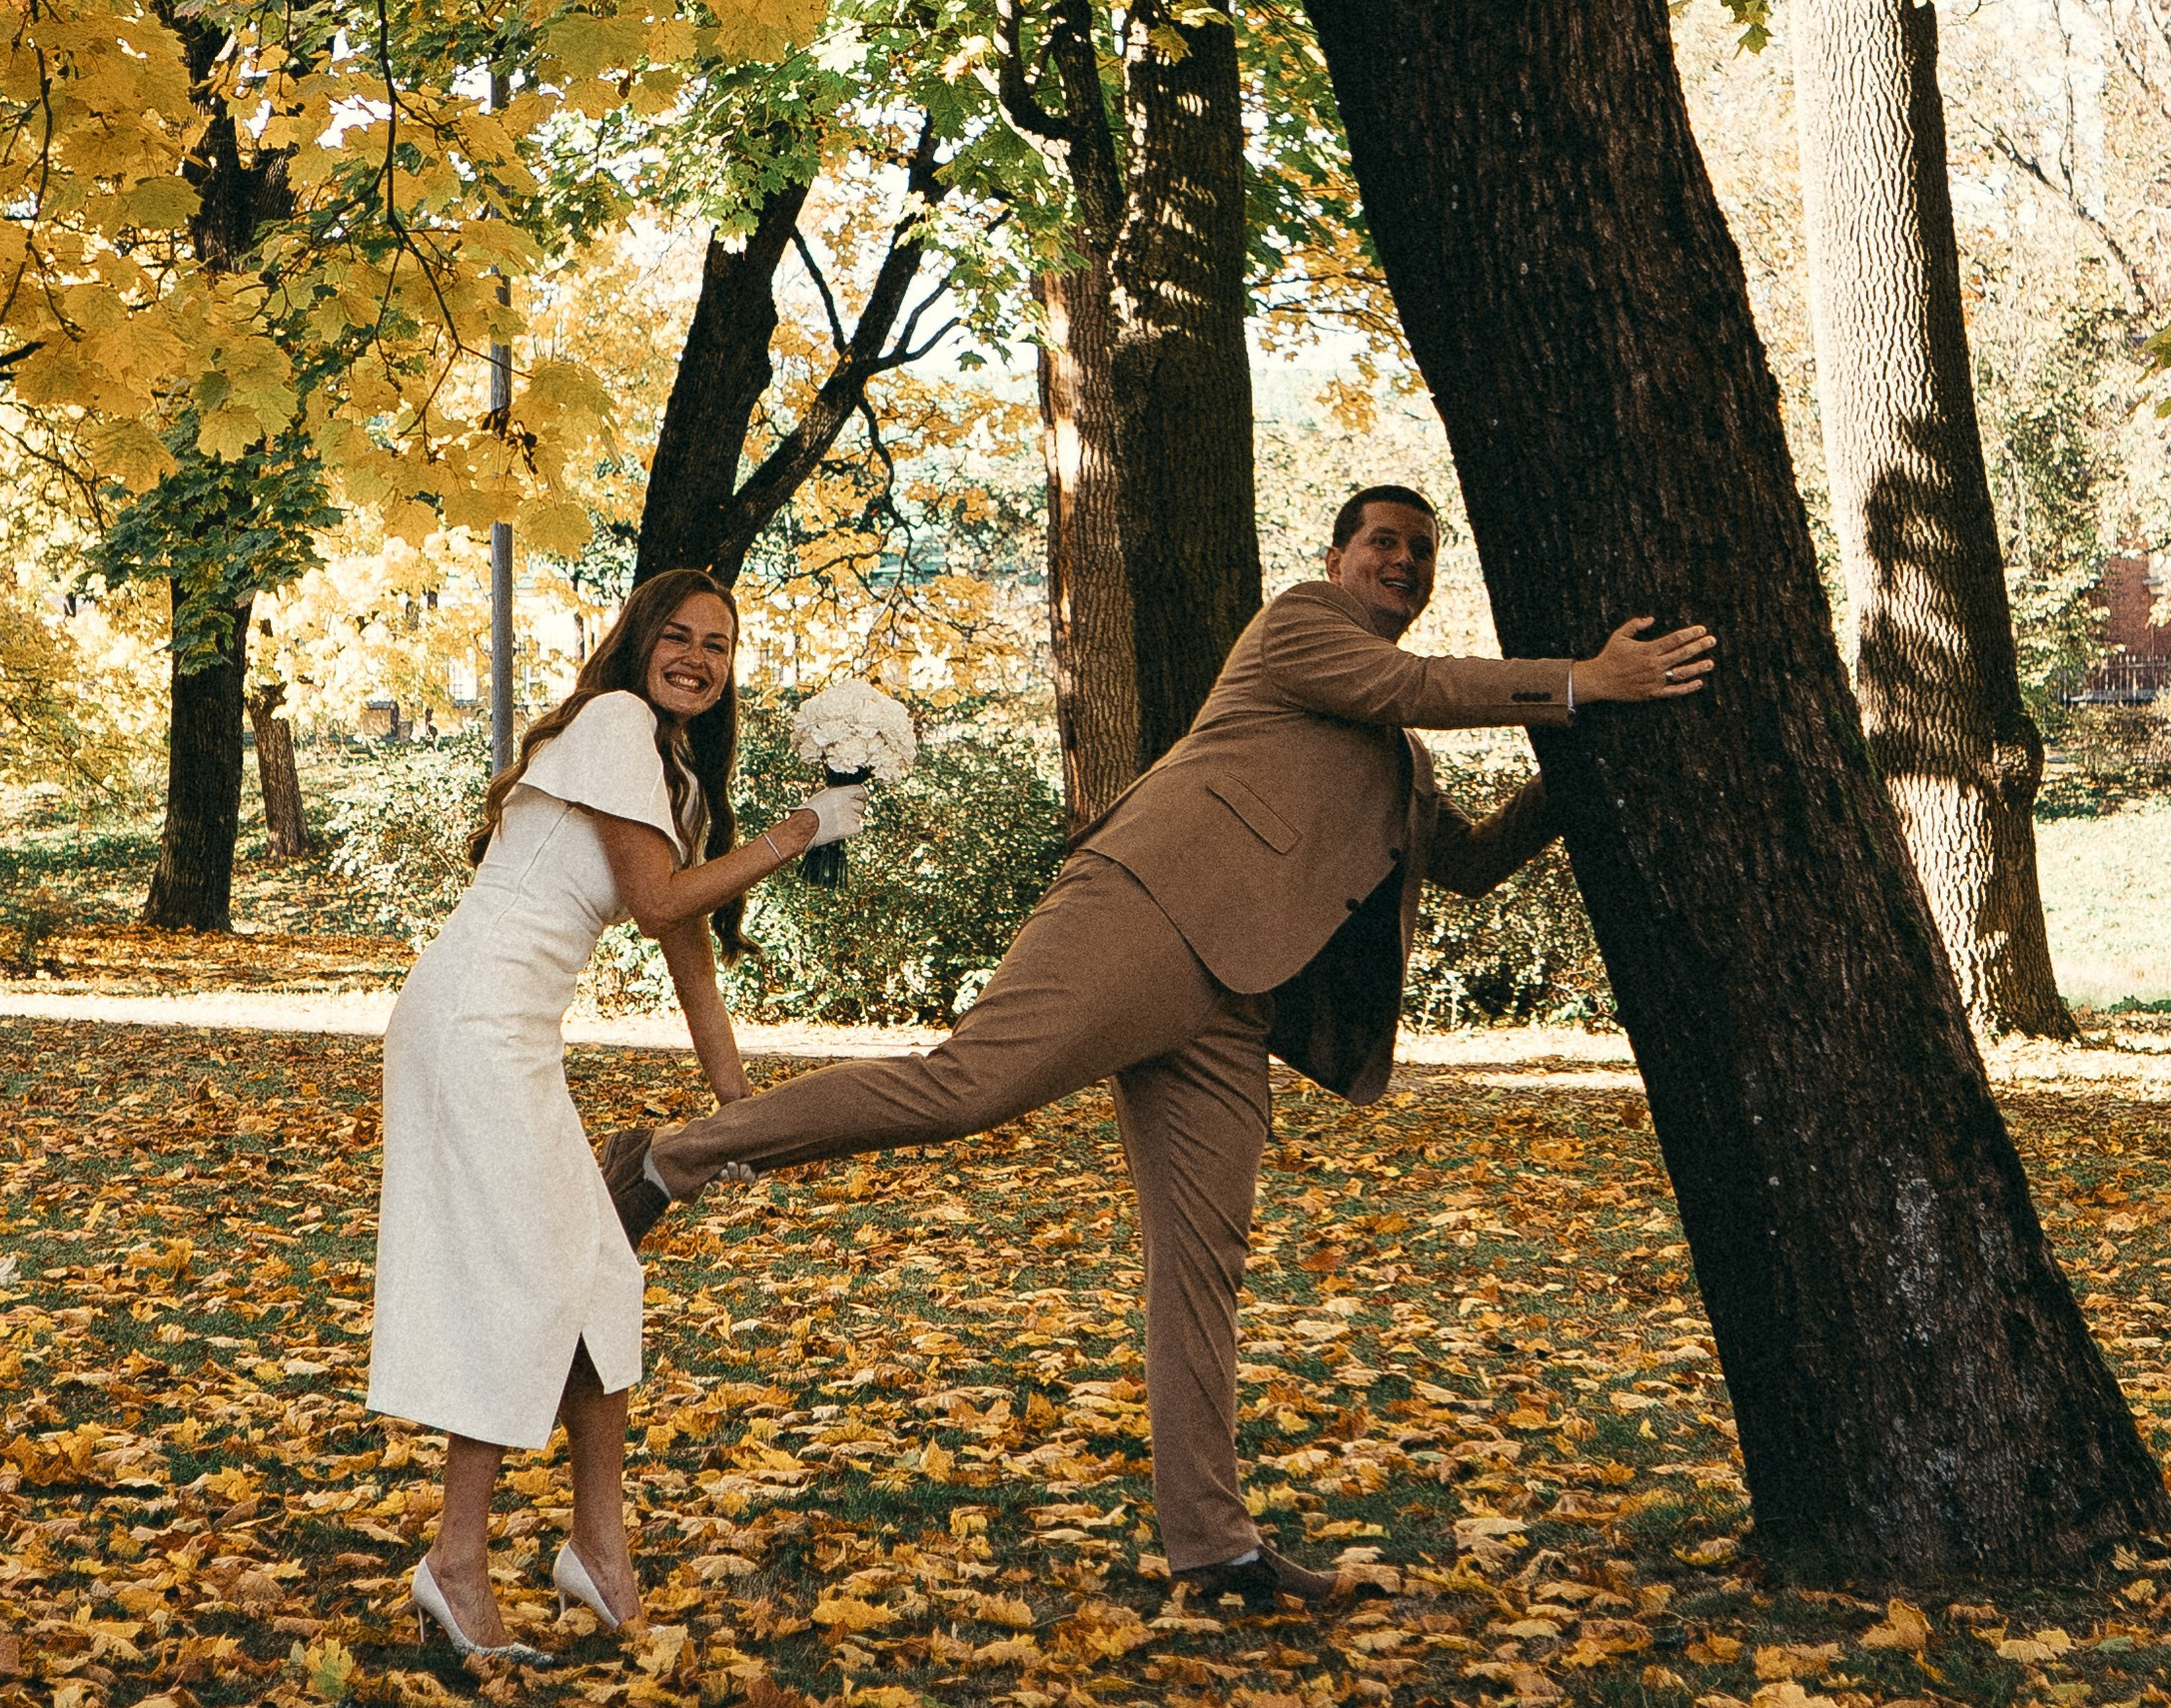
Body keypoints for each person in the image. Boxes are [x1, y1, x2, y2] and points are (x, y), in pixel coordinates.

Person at [625, 489, 1713, 1611]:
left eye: (1421, 551)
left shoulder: (1398, 765)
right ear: (1335, 557)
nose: (1401, 560)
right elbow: (1410, 683)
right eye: (1381, 542)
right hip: (1142, 913)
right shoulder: (1297, 628)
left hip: (1232, 1008)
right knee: (967, 1085)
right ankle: (669, 1157)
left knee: (1202, 1266)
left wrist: (1592, 765)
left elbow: (1472, 861)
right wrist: (1583, 681)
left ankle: (1216, 1549)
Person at [368, 564, 864, 1659]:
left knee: (602, 1277)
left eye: (718, 645)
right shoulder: (611, 721)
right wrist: (796, 834)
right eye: (676, 636)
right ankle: (454, 1562)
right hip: (469, 1022)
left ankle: (598, 1554)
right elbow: (657, 901)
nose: (695, 657)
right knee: (531, 1277)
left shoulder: (668, 776)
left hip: (512, 1032)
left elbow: (688, 953)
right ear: (638, 643)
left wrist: (735, 1101)